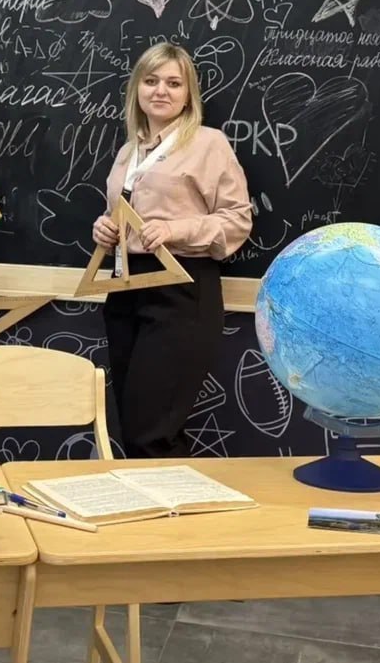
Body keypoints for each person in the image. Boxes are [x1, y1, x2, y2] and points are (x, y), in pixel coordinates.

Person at [93, 43, 252, 458]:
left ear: (188, 94)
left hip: (181, 289)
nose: (161, 90)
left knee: (153, 431)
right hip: (126, 288)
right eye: (151, 81)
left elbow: (238, 220)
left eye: (173, 83)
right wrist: (106, 228)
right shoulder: (129, 151)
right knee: (131, 425)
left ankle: (174, 501)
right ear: (137, 89)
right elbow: (122, 212)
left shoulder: (208, 144)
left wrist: (174, 230)